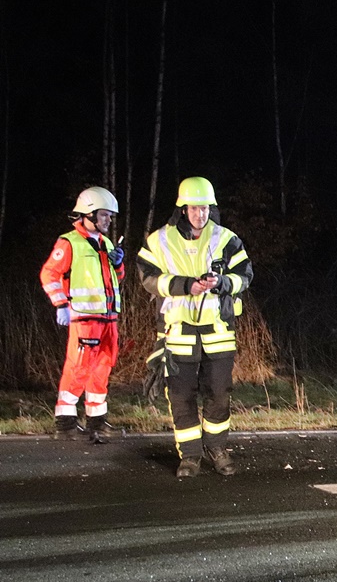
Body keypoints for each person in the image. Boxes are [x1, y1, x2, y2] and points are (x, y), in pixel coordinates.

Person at [137, 177, 254, 478]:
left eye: (204, 208)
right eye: (193, 208)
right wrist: (185, 285)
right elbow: (148, 277)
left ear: (210, 208)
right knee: (180, 395)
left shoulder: (227, 239)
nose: (199, 214)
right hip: (178, 332)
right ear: (182, 208)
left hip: (218, 332)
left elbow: (245, 276)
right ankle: (189, 456)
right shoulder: (160, 240)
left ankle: (216, 449)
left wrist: (222, 283)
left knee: (219, 393)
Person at [39, 186, 124, 441]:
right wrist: (61, 304)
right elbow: (49, 274)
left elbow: (117, 280)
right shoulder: (69, 242)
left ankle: (96, 421)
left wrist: (119, 263)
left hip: (108, 317)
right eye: (104, 215)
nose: (108, 220)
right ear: (89, 214)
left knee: (102, 368)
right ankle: (65, 423)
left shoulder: (106, 242)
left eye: (110, 216)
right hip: (85, 318)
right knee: (79, 368)